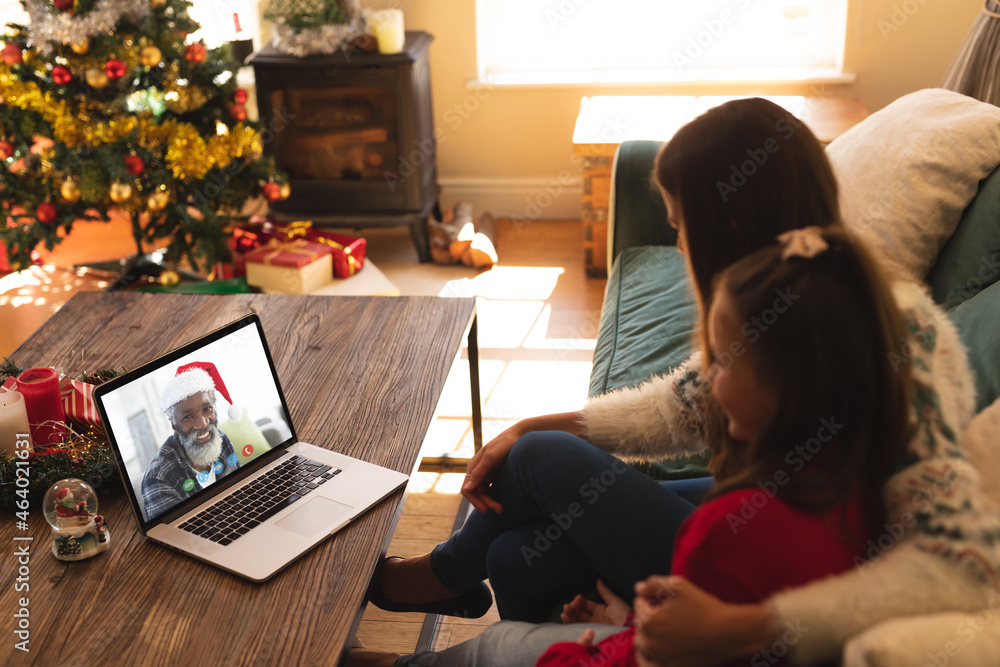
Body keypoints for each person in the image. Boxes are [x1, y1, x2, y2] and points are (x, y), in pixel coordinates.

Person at [362, 97, 1000, 665]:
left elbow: (948, 557)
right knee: (515, 554)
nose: (676, 239)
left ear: (727, 226)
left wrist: (742, 626)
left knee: (538, 460)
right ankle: (485, 588)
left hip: (796, 573)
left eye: (678, 223)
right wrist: (531, 421)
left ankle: (444, 575)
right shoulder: (792, 295)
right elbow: (683, 408)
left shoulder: (896, 338)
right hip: (765, 512)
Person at [535, 226, 907, 667]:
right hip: (628, 630)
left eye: (724, 363)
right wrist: (632, 623)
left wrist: (567, 654)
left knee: (493, 636)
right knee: (513, 548)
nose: (708, 381)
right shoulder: (863, 496)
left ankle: (449, 576)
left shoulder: (724, 529)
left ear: (782, 383)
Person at [141, 362, 241, 520]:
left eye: (207, 409)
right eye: (188, 416)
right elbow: (179, 538)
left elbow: (242, 492)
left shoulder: (222, 440)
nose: (202, 424)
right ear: (174, 424)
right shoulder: (158, 478)